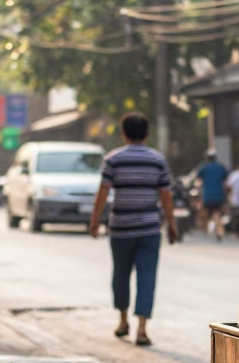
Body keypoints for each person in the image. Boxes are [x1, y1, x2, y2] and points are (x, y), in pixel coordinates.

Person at [88, 112, 178, 348]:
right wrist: (172, 224)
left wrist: (95, 220)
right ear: (146, 134)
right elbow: (166, 196)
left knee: (121, 274)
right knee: (147, 277)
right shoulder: (158, 160)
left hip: (121, 229)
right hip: (149, 228)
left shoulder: (113, 159)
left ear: (124, 134)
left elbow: (103, 192)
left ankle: (122, 321)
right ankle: (142, 329)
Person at [195, 149, 228, 241]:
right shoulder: (221, 167)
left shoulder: (204, 168)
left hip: (207, 196)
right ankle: (218, 231)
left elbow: (198, 180)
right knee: (217, 213)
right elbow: (226, 180)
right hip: (219, 195)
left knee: (205, 212)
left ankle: (205, 231)